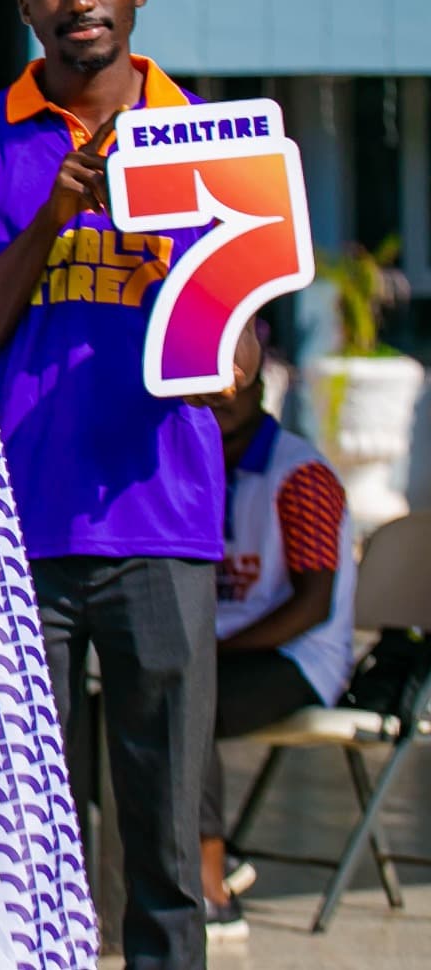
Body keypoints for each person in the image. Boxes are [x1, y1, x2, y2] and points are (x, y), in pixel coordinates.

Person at [0, 0, 217, 970]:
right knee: (16, 840)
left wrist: (233, 364)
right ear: (23, 5)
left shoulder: (213, 139)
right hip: (13, 527)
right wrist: (50, 214)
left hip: (162, 520)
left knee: (166, 841)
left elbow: (233, 373)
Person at [198, 321, 353, 938]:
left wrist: (213, 650)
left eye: (241, 383)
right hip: (221, 648)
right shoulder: (194, 462)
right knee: (113, 713)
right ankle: (203, 856)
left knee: (189, 706)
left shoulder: (300, 475)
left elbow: (312, 608)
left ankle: (212, 888)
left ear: (259, 387)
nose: (228, 395)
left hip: (299, 658)